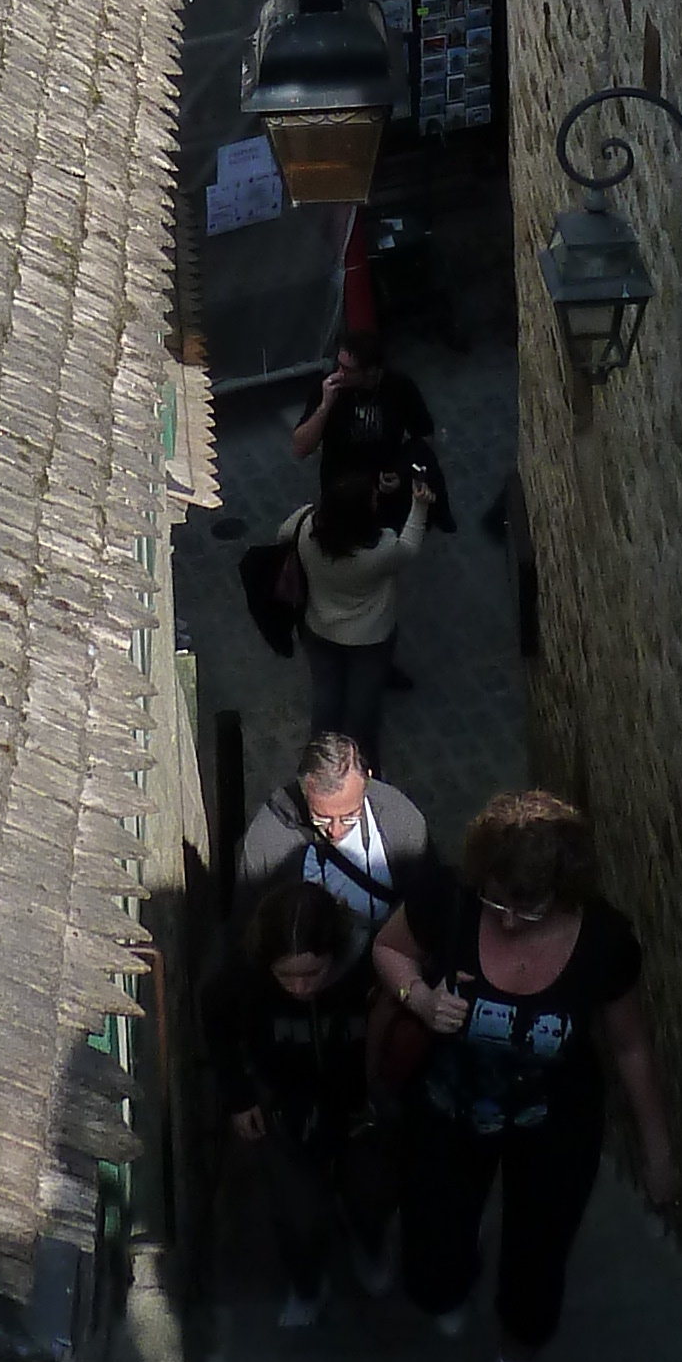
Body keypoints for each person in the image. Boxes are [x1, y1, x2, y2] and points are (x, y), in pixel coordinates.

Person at [373, 786, 677, 1362]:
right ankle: (459, 1266)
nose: (508, 920)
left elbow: (629, 1048)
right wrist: (421, 1001)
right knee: (433, 1269)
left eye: (528, 908)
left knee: (538, 1258)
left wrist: (658, 1151)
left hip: (554, 1126)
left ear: (565, 891)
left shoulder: (604, 942)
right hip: (449, 1112)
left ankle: (516, 1356)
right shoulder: (449, 902)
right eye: (498, 901)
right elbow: (390, 948)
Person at [201, 878, 401, 1326]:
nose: (301, 988)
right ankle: (308, 1283)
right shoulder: (241, 976)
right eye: (287, 977)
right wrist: (238, 1094)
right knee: (297, 1213)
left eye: (314, 974)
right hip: (284, 1105)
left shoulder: (373, 966)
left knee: (372, 1192)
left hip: (360, 1105)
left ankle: (369, 1243)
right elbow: (215, 1020)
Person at [275, 445, 430, 762]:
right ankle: (365, 771)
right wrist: (419, 505)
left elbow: (281, 535)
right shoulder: (380, 551)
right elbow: (410, 546)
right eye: (373, 500)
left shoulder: (306, 525)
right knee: (362, 713)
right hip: (369, 639)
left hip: (317, 628)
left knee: (326, 702)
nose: (376, 501)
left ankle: (319, 767)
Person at [238, 727, 440, 954]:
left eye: (349, 817)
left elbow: (428, 903)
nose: (335, 831)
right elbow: (250, 924)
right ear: (304, 793)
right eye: (322, 819)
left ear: (368, 782)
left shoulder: (402, 821)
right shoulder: (268, 841)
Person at [291, 326, 453, 530]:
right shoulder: (329, 390)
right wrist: (324, 407)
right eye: (338, 365)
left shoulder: (399, 387)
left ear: (371, 372)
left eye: (348, 370)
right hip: (343, 488)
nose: (339, 374)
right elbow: (300, 448)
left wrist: (401, 472)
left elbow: (424, 435)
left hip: (385, 482)